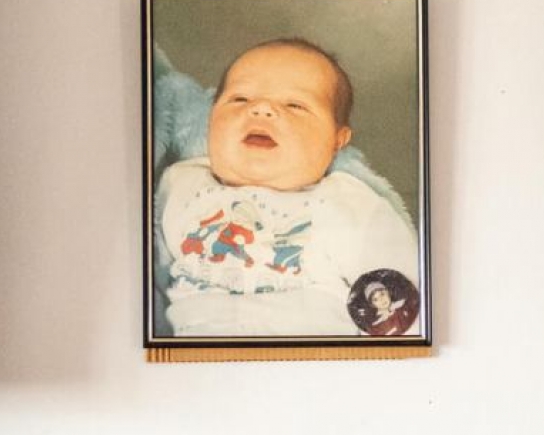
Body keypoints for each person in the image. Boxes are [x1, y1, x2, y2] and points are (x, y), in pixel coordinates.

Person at [155, 38, 421, 338]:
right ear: (210, 120)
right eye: (240, 99)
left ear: (337, 140)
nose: (262, 108)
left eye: (294, 105)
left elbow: (405, 306)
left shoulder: (350, 203)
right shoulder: (178, 185)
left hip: (308, 357)